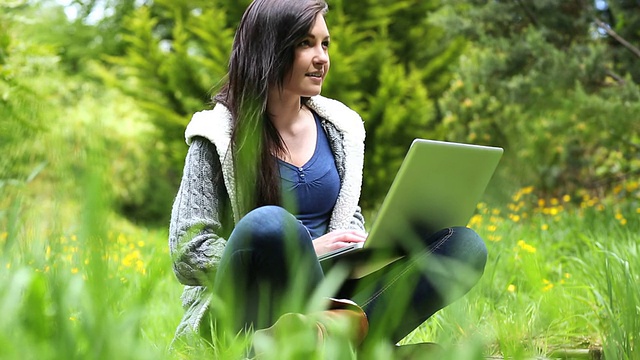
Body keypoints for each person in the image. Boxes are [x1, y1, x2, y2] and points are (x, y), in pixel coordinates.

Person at [168, 0, 488, 355]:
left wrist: (362, 247)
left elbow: (345, 216)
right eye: (306, 43)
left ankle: (322, 341)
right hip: (251, 303)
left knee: (464, 246)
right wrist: (303, 249)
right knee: (270, 224)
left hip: (335, 285)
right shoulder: (217, 134)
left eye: (325, 44)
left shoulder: (341, 128)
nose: (322, 57)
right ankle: (350, 342)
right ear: (269, 48)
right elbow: (188, 249)